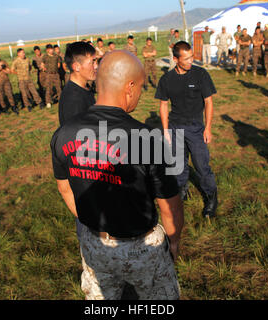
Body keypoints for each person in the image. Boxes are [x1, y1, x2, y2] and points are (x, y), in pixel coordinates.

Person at [51, 50, 183, 300]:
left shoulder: (63, 133)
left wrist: (95, 224)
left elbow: (65, 188)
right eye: (141, 87)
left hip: (94, 244)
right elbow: (170, 206)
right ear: (130, 86)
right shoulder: (147, 139)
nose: (140, 94)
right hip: (142, 248)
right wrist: (174, 242)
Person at [155, 41, 218, 218]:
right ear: (175, 59)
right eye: (187, 58)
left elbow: (209, 102)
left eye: (192, 57)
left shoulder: (200, 74)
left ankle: (211, 196)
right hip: (175, 127)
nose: (191, 60)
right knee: (178, 165)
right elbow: (163, 105)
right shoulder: (166, 79)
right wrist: (166, 131)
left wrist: (208, 128)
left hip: (196, 128)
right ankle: (182, 189)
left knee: (201, 165)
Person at [58, 42, 97, 126]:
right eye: (92, 62)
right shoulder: (74, 99)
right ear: (76, 67)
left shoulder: (84, 88)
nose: (96, 66)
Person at [0, 50, 19, 115]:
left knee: (10, 94)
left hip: (6, 81)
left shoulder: (3, 62)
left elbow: (9, 71)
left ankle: (13, 106)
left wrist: (3, 68)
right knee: (1, 96)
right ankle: (4, 108)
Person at [41, 44, 62, 108]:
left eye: (52, 49)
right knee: (48, 89)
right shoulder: (45, 56)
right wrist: (43, 68)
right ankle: (48, 102)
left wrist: (55, 69)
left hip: (56, 74)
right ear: (47, 50)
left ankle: (61, 100)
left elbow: (58, 64)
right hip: (49, 74)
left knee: (58, 87)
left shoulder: (56, 56)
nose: (51, 50)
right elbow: (42, 63)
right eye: (50, 49)